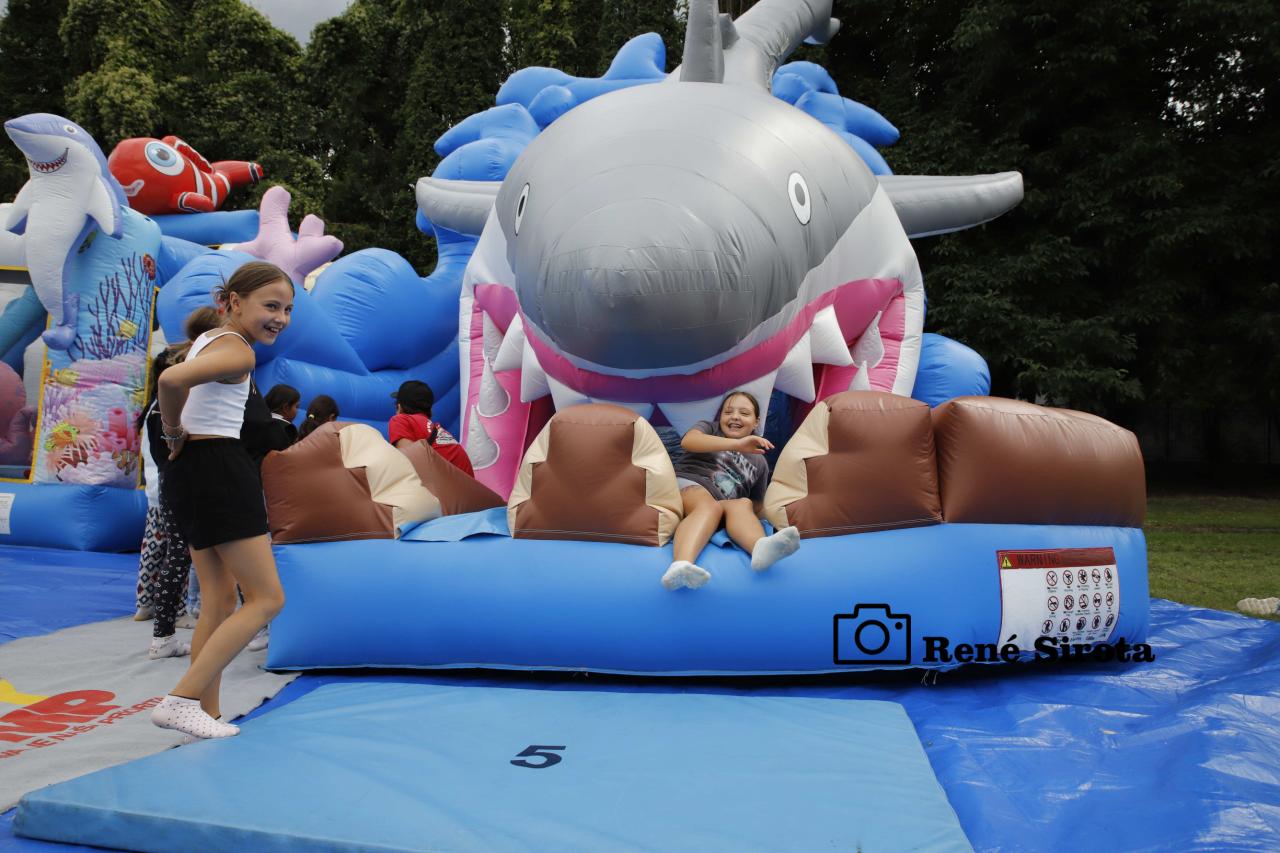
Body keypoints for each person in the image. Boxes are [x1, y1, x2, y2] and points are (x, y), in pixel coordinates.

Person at [149, 261, 293, 740]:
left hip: (191, 471)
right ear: (234, 302)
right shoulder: (238, 351)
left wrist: (176, 437)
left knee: (218, 598)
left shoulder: (211, 340)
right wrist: (172, 430)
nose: (281, 318)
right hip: (218, 468)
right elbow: (171, 381)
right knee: (267, 598)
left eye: (287, 309)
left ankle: (204, 711)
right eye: (271, 306)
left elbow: (178, 381)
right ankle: (183, 699)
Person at [661, 391, 800, 590]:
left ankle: (759, 548)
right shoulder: (710, 429)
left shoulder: (760, 462)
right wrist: (737, 444)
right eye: (728, 412)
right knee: (709, 507)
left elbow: (758, 504)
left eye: (744, 413)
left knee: (743, 503)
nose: (735, 417)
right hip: (688, 485)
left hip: (719, 504)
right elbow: (688, 441)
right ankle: (680, 565)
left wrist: (777, 522)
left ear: (756, 422)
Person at [135, 346, 195, 658]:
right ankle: (175, 609)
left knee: (155, 547)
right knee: (177, 552)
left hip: (156, 486)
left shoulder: (152, 406)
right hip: (167, 486)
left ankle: (145, 603)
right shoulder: (168, 406)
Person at [388, 380, 473, 476]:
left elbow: (407, 462)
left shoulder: (400, 420)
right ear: (430, 409)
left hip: (447, 482)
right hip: (465, 483)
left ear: (399, 407)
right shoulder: (433, 429)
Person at [263, 384, 300, 450]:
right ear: (286, 408)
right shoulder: (288, 429)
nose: (298, 411)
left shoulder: (255, 420)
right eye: (297, 407)